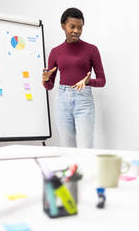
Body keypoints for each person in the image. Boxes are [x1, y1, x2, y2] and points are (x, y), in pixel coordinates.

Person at [42, 8, 106, 148]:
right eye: (72, 26)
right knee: (67, 148)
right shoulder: (55, 52)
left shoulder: (92, 50)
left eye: (80, 27)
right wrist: (46, 80)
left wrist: (89, 82)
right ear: (63, 26)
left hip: (84, 101)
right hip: (62, 101)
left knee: (85, 148)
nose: (76, 31)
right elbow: (50, 85)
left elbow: (102, 80)